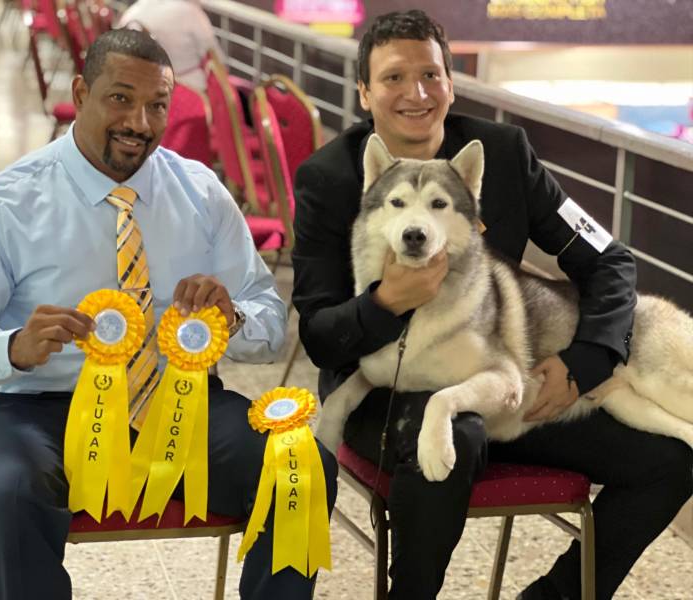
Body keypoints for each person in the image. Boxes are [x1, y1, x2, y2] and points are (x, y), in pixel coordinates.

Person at [0, 29, 336, 600]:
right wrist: (12, 346)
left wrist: (231, 317)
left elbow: (267, 325)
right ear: (82, 90)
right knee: (6, 494)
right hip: (47, 413)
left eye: (157, 105)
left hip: (187, 406)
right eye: (120, 98)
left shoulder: (201, 193)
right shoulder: (5, 204)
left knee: (300, 465)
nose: (139, 122)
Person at [293, 9, 692, 600]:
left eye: (431, 75)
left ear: (451, 83)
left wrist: (583, 364)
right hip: (383, 387)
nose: (416, 93)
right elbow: (321, 335)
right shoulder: (328, 178)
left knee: (671, 461)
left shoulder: (503, 153)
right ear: (365, 92)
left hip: (510, 381)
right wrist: (383, 303)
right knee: (459, 438)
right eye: (394, 78)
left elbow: (608, 261)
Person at [117, 0, 221, 92]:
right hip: (192, 89)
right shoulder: (190, 12)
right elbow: (216, 56)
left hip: (145, 91)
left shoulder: (131, 14)